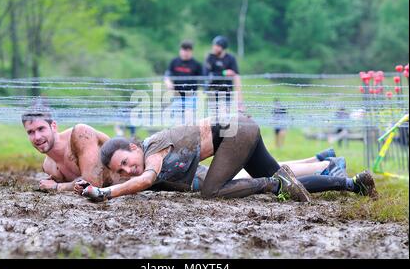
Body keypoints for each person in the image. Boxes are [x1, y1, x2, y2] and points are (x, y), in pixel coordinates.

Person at [75, 115, 378, 202]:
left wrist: (105, 193)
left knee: (212, 192)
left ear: (133, 145)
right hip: (242, 130)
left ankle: (268, 184)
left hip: (236, 133)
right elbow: (134, 179)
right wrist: (71, 185)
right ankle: (353, 185)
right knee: (288, 184)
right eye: (122, 170)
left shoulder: (154, 146)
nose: (129, 170)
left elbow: (144, 180)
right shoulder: (150, 160)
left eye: (127, 160)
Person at [21, 105, 121, 192]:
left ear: (54, 126)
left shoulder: (81, 134)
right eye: (31, 132)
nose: (37, 137)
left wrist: (57, 187)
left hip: (133, 179)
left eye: (41, 129)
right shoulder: (48, 166)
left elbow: (92, 184)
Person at [204, 36, 245, 113]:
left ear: (223, 47)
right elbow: (206, 75)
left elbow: (236, 77)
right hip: (212, 91)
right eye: (214, 45)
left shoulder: (231, 58)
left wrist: (240, 101)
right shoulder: (210, 58)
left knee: (224, 118)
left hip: (226, 92)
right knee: (212, 118)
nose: (214, 47)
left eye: (217, 46)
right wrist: (223, 73)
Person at [164, 40, 202, 123]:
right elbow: (167, 75)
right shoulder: (174, 62)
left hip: (191, 97)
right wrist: (168, 82)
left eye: (188, 50)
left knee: (189, 121)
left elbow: (203, 80)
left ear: (191, 52)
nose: (185, 53)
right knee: (177, 122)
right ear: (180, 50)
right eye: (184, 50)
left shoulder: (197, 64)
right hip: (177, 96)